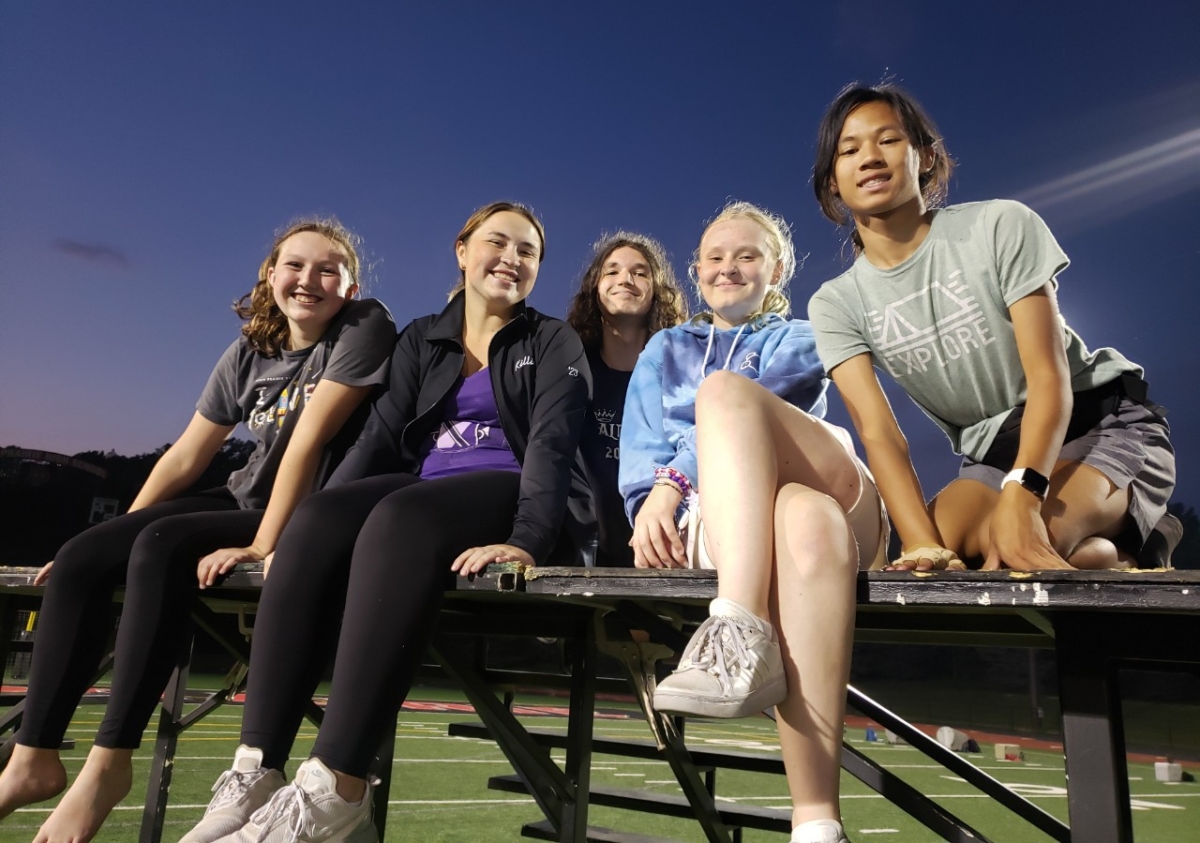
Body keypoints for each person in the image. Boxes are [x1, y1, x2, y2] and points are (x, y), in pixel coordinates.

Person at [178, 201, 590, 843]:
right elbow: (377, 441)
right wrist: (309, 533)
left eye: (528, 251)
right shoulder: (423, 337)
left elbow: (552, 447)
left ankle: (338, 786)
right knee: (318, 515)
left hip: (513, 494)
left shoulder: (552, 340)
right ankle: (257, 769)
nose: (511, 258)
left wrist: (525, 540)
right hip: (425, 494)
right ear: (462, 250)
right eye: (497, 242)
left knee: (400, 515)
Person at [0, 218, 396, 843]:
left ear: (349, 288)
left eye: (328, 271)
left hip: (307, 508)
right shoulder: (251, 350)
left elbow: (308, 441)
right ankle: (31, 760)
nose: (308, 280)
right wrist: (108, 539)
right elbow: (187, 455)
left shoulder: (363, 326)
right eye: (294, 265)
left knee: (159, 548)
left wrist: (264, 542)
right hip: (244, 497)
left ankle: (107, 766)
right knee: (80, 558)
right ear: (270, 274)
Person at [806, 83, 1178, 572]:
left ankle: (1123, 526)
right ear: (832, 181)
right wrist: (921, 544)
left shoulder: (999, 225)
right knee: (934, 564)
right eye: (849, 150)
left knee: (1014, 553)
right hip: (992, 456)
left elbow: (1048, 377)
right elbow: (879, 434)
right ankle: (1109, 552)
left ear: (925, 156)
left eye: (889, 140)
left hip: (1096, 423)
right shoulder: (835, 303)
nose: (870, 157)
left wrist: (1024, 491)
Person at [620, 202, 888, 843]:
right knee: (809, 524)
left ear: (778, 269)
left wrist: (671, 483)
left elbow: (757, 409)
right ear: (696, 271)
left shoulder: (802, 336)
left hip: (831, 482)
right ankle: (817, 823)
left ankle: (737, 627)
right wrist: (650, 502)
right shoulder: (665, 348)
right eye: (714, 257)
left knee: (722, 394)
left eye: (747, 256)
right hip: (734, 524)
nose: (728, 268)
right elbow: (641, 450)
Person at [566, 231, 688, 565]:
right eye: (612, 271)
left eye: (640, 272)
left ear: (657, 290)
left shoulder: (680, 373)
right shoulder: (572, 372)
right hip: (586, 552)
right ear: (595, 287)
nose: (625, 279)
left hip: (668, 543)